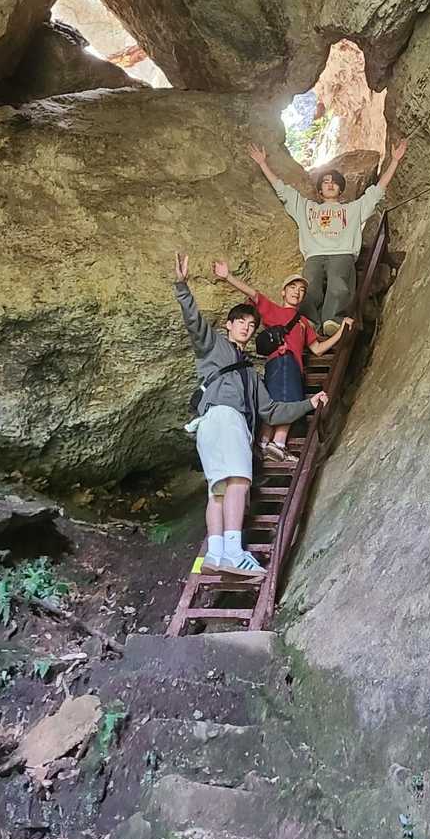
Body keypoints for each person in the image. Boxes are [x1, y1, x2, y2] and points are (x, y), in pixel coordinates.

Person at [173, 252, 328, 576]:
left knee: (218, 490)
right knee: (240, 483)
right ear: (228, 325)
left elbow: (272, 411)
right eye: (241, 322)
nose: (247, 327)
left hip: (208, 425)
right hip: (226, 419)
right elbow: (194, 323)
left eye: (252, 324)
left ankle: (215, 554)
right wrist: (182, 287)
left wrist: (308, 404)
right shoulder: (216, 347)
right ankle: (234, 552)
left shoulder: (251, 376)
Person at [248, 138, 408, 335]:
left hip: (342, 252)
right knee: (309, 285)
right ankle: (309, 323)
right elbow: (283, 191)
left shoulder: (353, 209)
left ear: (341, 189)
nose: (330, 184)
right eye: (325, 182)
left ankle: (333, 321)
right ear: (319, 190)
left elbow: (376, 192)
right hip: (314, 254)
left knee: (338, 284)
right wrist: (263, 164)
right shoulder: (307, 208)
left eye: (334, 182)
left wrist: (394, 161)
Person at [212, 261, 353, 464]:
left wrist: (341, 331)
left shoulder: (304, 323)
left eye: (302, 290)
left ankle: (265, 443)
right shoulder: (274, 311)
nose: (297, 292)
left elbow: (318, 349)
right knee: (288, 400)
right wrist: (228, 276)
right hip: (283, 361)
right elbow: (253, 294)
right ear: (283, 292)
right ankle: (276, 443)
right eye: (292, 287)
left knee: (279, 400)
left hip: (290, 366)